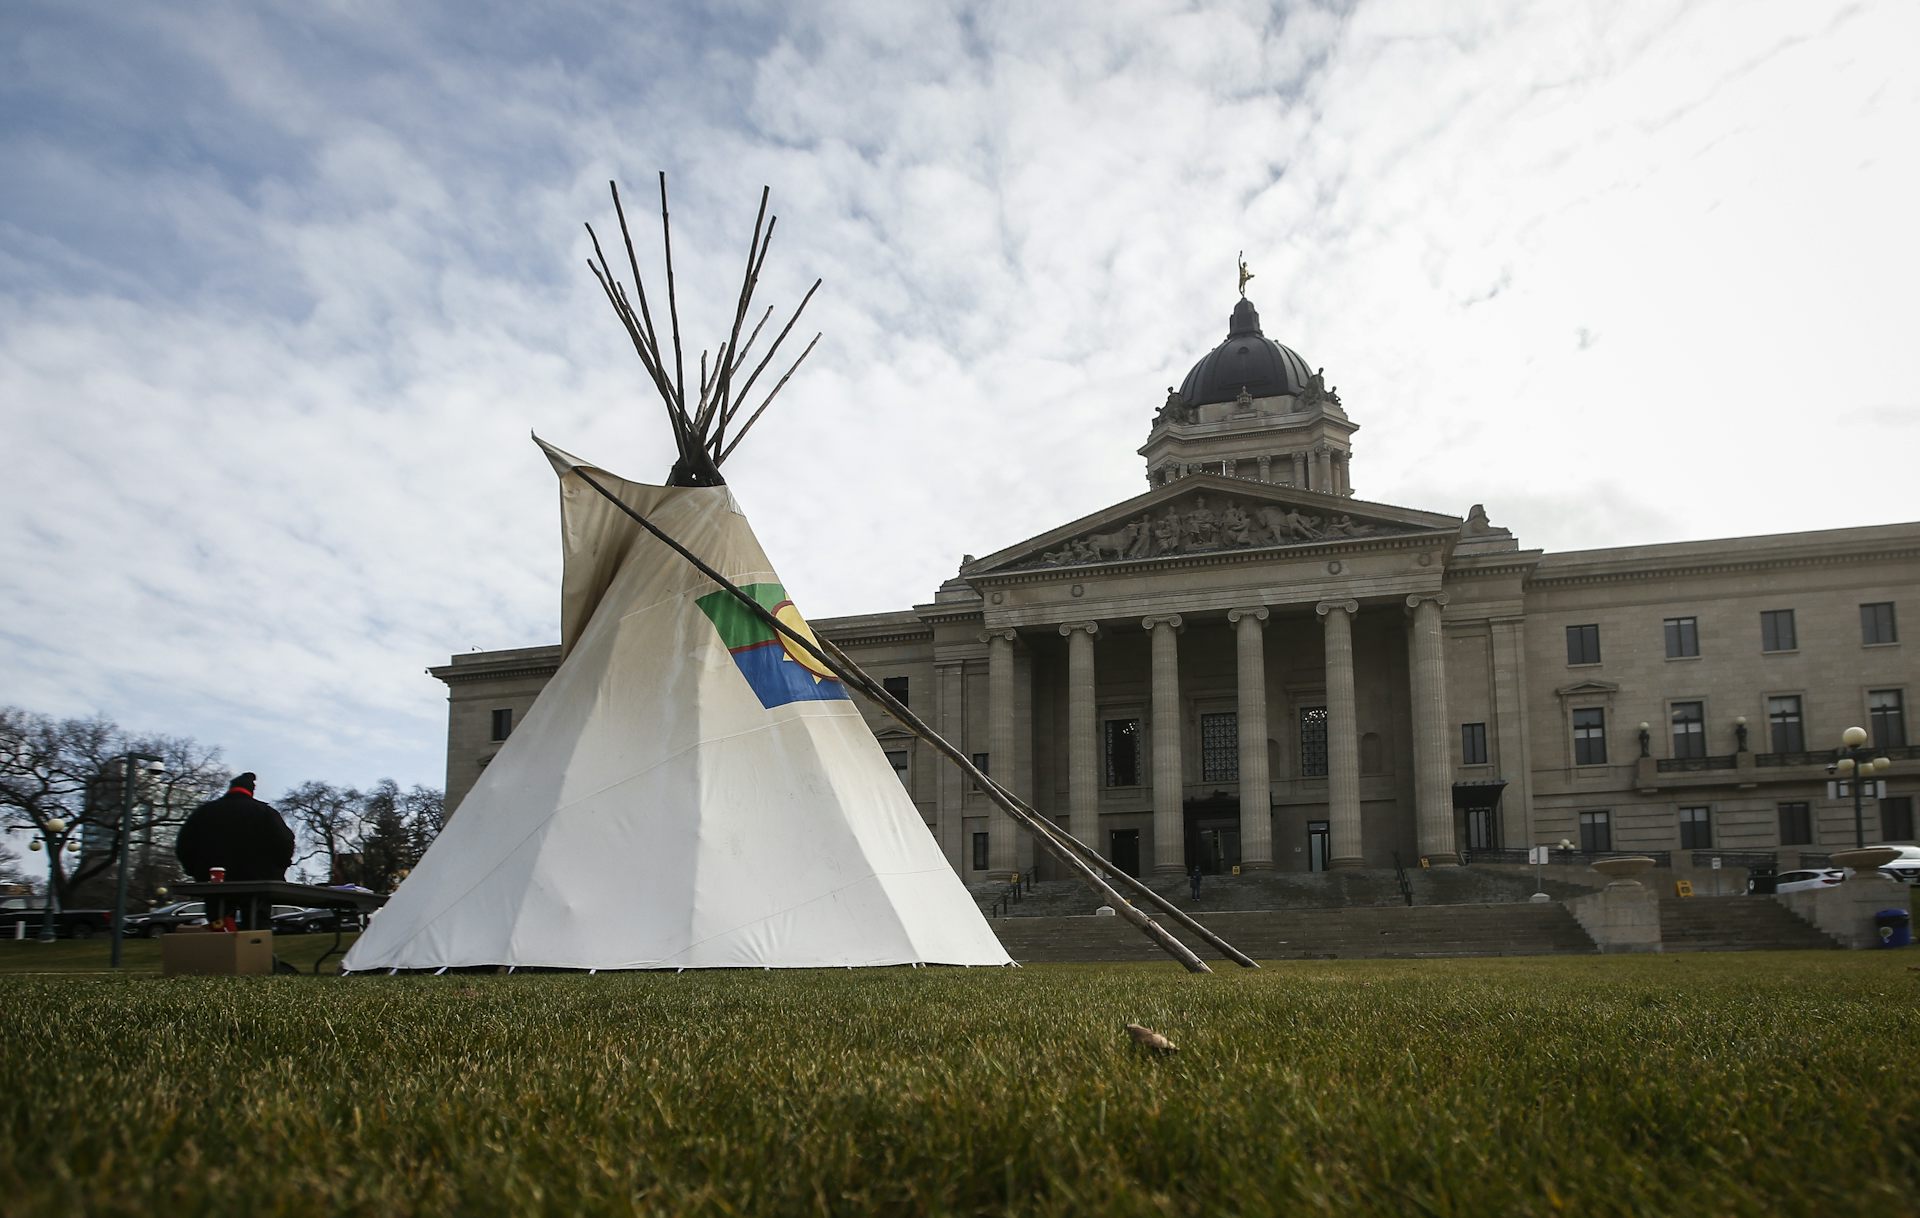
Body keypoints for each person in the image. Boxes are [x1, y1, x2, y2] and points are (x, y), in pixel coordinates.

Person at [176, 772, 296, 884]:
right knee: (255, 905)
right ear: (251, 790)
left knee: (216, 905)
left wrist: (194, 870)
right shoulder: (265, 812)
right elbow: (285, 840)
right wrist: (278, 869)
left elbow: (184, 844)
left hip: (213, 879)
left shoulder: (203, 812)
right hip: (257, 880)